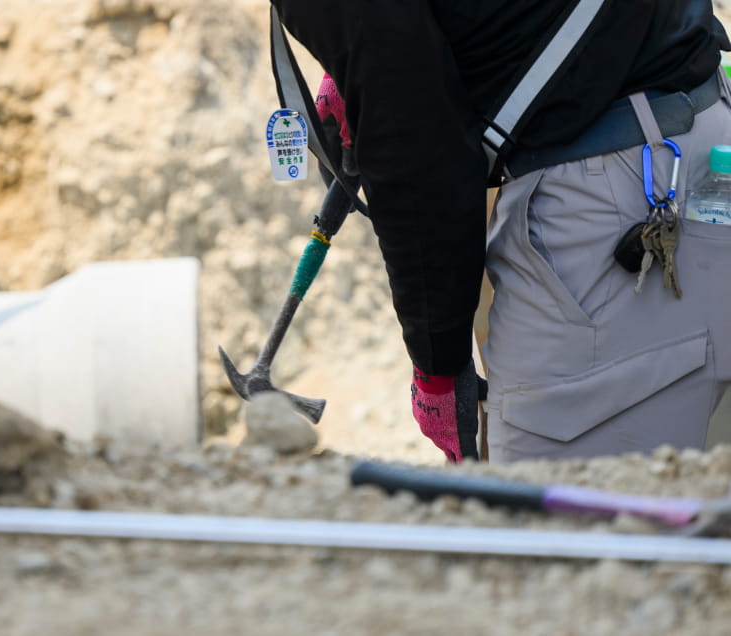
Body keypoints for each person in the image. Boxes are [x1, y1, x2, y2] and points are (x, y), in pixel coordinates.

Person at [272, 1, 731, 462]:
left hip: (618, 205)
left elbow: (418, 157)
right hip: (701, 133)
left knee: (563, 528)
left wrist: (438, 366)